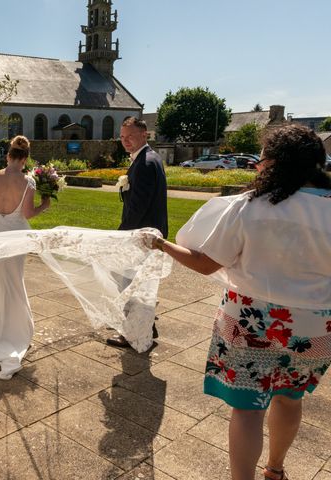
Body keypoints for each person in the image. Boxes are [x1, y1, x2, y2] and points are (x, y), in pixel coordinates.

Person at [141, 124, 331, 480]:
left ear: (273, 163)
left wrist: (162, 244)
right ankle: (275, 470)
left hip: (250, 322)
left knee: (247, 410)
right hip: (315, 326)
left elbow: (205, 263)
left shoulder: (250, 206)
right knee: (291, 399)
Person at [0, 135, 50, 380]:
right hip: (16, 237)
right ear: (25, 159)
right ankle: (10, 329)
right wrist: (44, 206)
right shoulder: (28, 182)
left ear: (8, 156)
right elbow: (27, 213)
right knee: (13, 281)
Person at [108, 116, 168, 348]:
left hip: (142, 236)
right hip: (150, 234)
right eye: (122, 137)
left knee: (131, 286)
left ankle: (133, 334)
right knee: (141, 285)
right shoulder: (148, 158)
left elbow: (138, 207)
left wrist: (121, 236)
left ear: (145, 135)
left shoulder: (144, 163)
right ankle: (146, 327)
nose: (126, 141)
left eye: (131, 136)